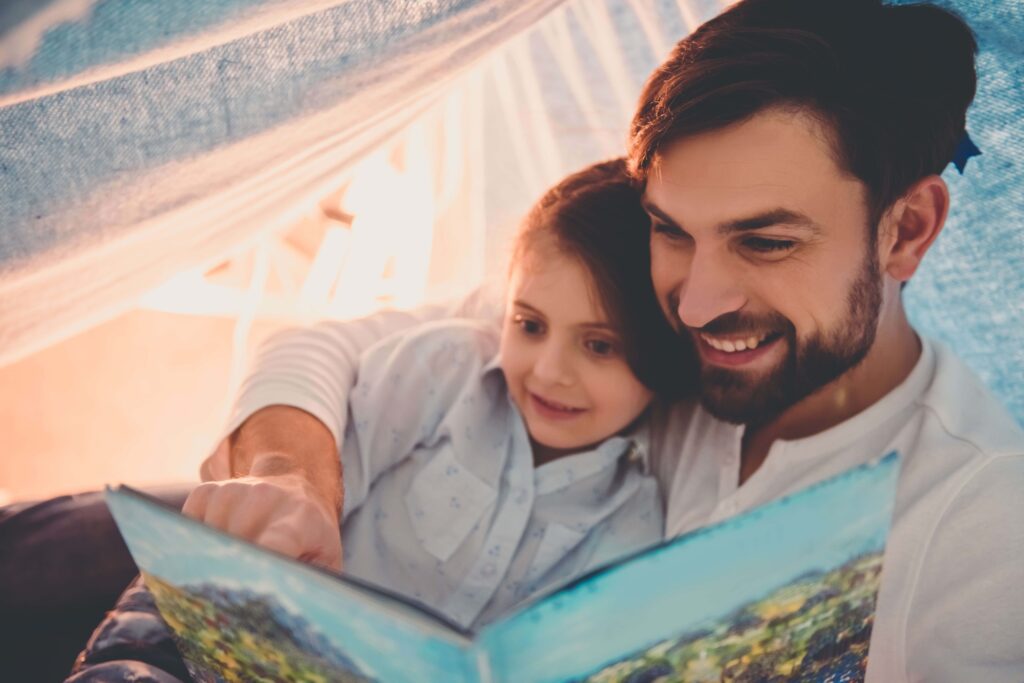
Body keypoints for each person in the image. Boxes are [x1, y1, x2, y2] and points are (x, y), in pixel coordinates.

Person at [186, 0, 1024, 680]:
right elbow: (329, 351)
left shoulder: (983, 526)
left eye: (766, 242)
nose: (695, 305)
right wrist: (292, 484)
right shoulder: (630, 323)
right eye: (670, 228)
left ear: (907, 230)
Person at [189, 159, 693, 631]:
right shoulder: (440, 370)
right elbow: (317, 494)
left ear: (663, 355)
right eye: (529, 325)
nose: (549, 370)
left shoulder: (636, 515)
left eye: (599, 345)